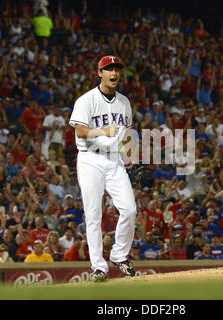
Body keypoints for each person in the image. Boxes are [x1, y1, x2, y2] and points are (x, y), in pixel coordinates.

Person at [69, 55, 137, 282]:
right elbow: (79, 131)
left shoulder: (124, 102)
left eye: (116, 69)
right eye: (109, 69)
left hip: (115, 160)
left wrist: (131, 159)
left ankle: (119, 255)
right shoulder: (85, 100)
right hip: (90, 160)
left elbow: (126, 135)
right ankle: (99, 267)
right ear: (100, 73)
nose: (114, 73)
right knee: (93, 214)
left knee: (129, 210)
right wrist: (102, 131)